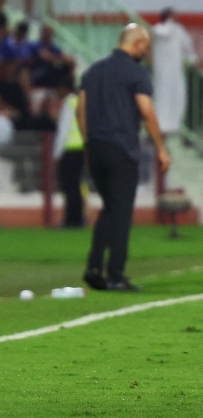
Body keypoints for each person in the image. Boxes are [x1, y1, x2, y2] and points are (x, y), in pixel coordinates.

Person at [77, 24, 170, 292]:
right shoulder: (135, 73)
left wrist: (88, 142)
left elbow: (80, 110)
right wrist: (161, 148)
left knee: (110, 208)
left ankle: (94, 268)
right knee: (122, 213)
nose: (146, 53)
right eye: (146, 48)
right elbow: (146, 111)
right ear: (136, 44)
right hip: (121, 148)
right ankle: (116, 274)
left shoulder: (93, 71)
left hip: (96, 147)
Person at [151, 7, 198, 136]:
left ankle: (162, 125)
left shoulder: (155, 31)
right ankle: (171, 126)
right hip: (173, 73)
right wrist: (191, 60)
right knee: (175, 99)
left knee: (162, 99)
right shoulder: (177, 31)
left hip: (162, 73)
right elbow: (189, 50)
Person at [52, 73, 84, 228]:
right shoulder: (81, 101)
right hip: (81, 148)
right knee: (76, 185)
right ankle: (77, 218)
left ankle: (71, 219)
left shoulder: (68, 103)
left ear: (64, 89)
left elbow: (63, 130)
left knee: (69, 186)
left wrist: (56, 154)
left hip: (69, 149)